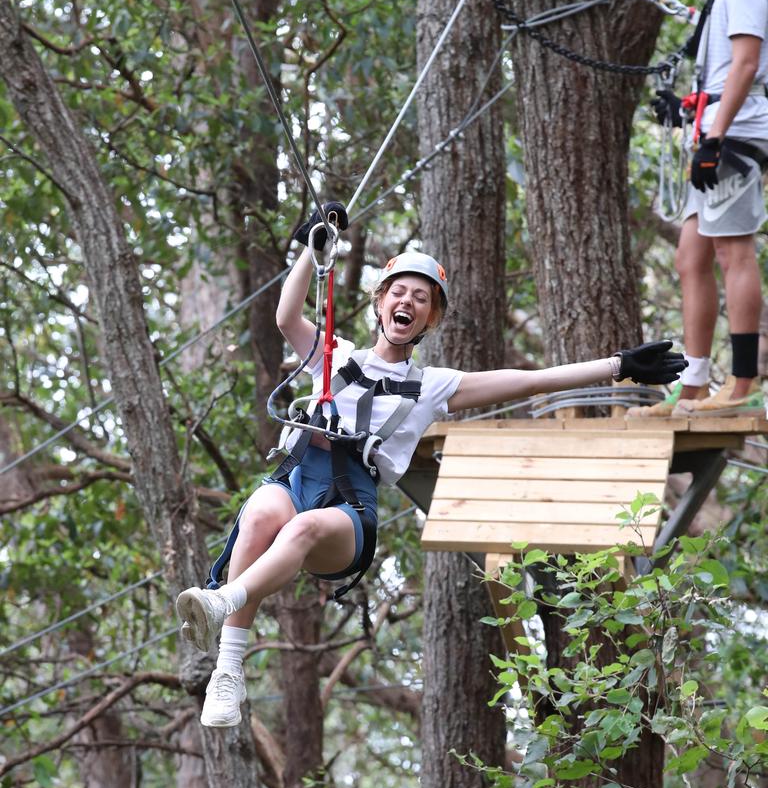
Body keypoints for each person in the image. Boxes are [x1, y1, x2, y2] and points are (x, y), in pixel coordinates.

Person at [176, 206, 686, 727]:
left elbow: (532, 381)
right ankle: (228, 669)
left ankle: (222, 602)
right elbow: (286, 316)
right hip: (297, 474)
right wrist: (312, 248)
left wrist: (619, 366)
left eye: (421, 298)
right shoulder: (334, 355)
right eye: (399, 291)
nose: (408, 302)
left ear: (430, 319)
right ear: (379, 303)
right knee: (261, 513)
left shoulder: (432, 386)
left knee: (303, 526)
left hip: (350, 507)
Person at [633, 0, 767, 419]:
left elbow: (746, 63)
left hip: (735, 134)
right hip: (716, 128)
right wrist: (692, 110)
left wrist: (713, 136)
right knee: (691, 258)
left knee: (734, 252)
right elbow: (723, 69)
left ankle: (740, 385)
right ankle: (691, 386)